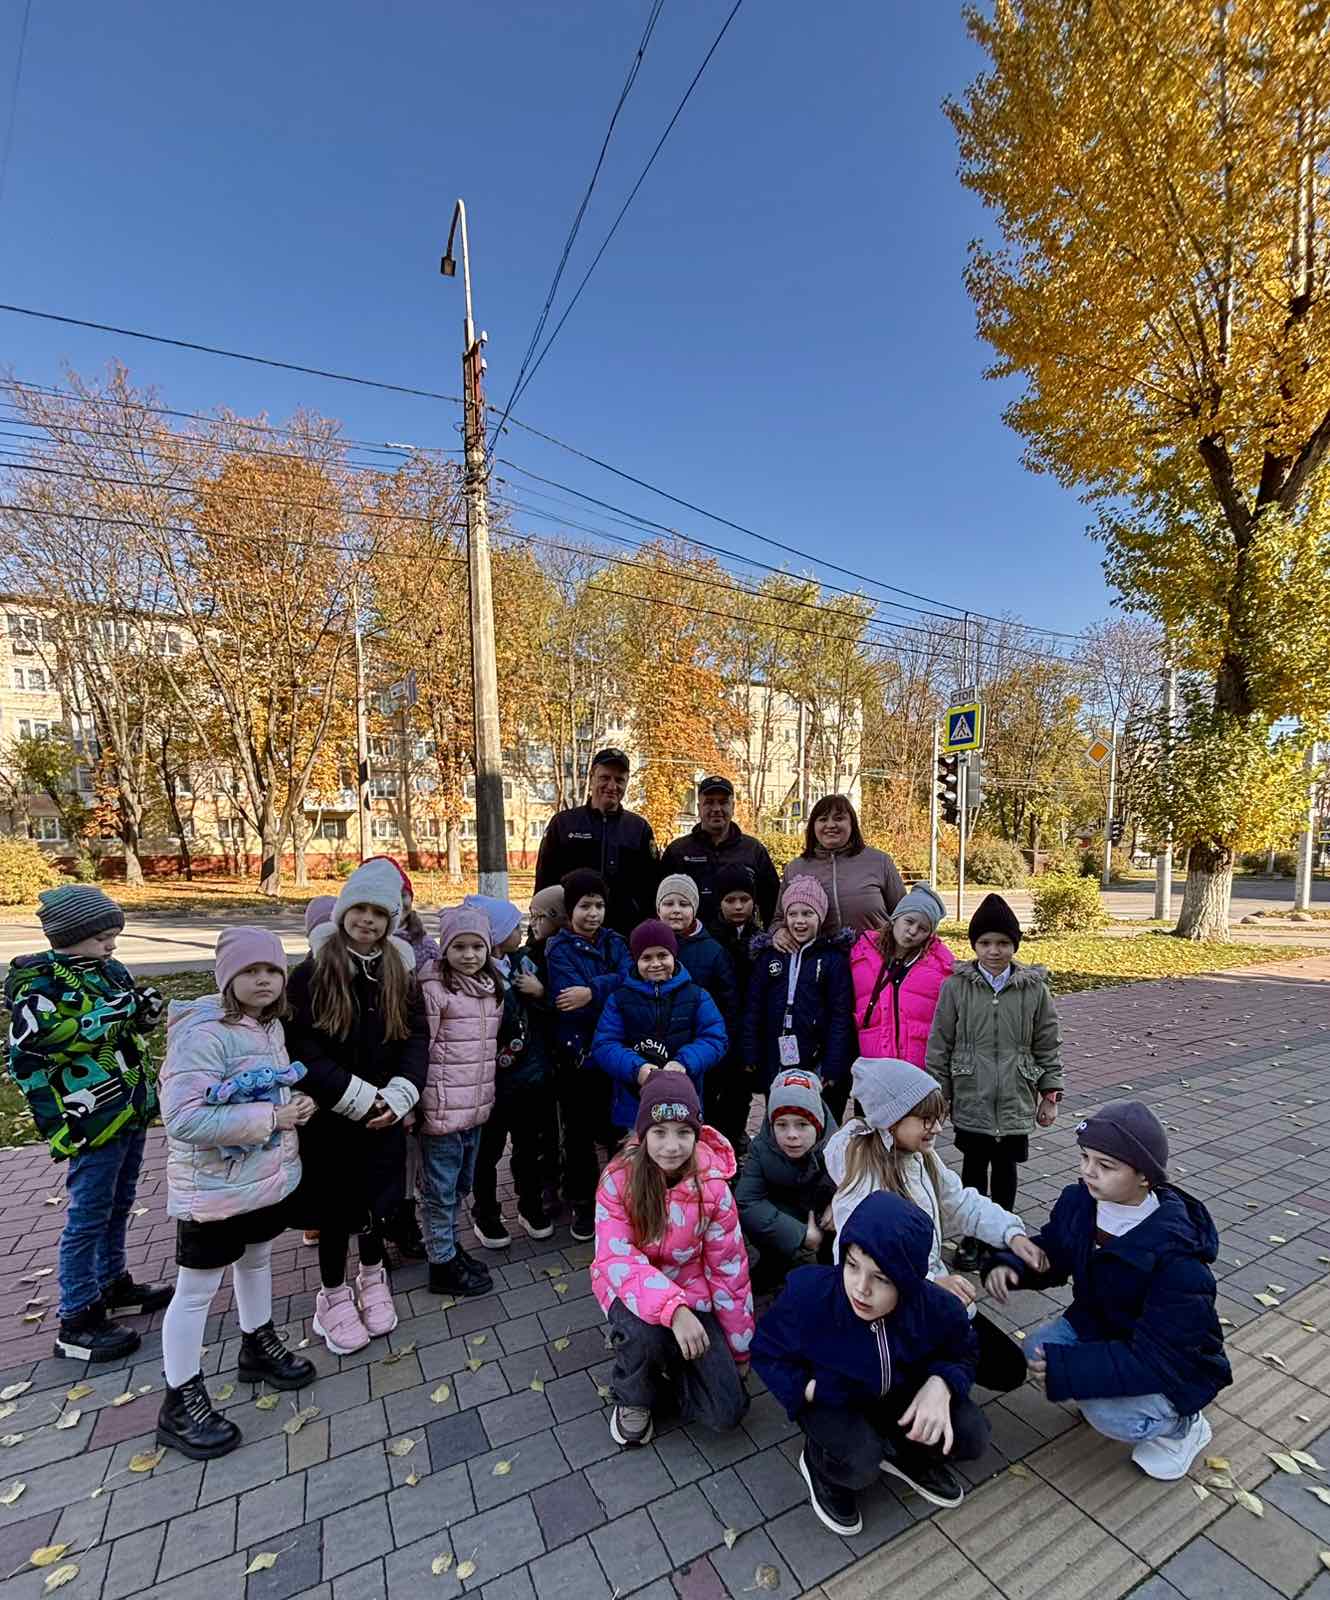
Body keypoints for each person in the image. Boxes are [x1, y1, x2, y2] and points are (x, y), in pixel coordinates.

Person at [986, 1101, 1231, 1480]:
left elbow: (1159, 1357)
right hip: (1100, 1326)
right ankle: (1105, 1387)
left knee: (1107, 1413)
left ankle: (1183, 1425)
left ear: (1145, 1176)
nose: (1088, 1171)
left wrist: (1073, 1370)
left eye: (1105, 1165)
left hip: (1176, 1365)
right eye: (1085, 1157)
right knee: (1037, 1350)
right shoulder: (1082, 1203)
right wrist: (1013, 1265)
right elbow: (1057, 1251)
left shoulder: (1177, 1257)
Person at [156, 928, 317, 1459]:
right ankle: (180, 1397)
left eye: (272, 970)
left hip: (260, 1179)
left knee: (258, 1261)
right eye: (250, 971)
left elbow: (269, 1086)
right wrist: (273, 1117)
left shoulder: (269, 1026)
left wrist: (297, 1105)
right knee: (196, 1290)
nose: (264, 980)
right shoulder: (203, 1034)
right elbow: (184, 1118)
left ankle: (257, 1344)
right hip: (214, 1189)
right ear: (227, 978)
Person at [753, 1191, 988, 1535]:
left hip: (900, 1394)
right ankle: (821, 1467)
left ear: (908, 1281)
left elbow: (964, 1351)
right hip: (834, 1397)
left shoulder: (936, 1307)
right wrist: (806, 1389)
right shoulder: (811, 1296)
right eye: (852, 1265)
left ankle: (905, 1453)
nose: (861, 1288)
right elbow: (767, 1349)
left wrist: (943, 1383)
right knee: (860, 1462)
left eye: (881, 1278)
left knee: (970, 1435)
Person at [5, 886, 173, 1362]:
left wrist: (143, 1013)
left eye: (114, 936)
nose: (111, 945)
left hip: (128, 1106)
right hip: (88, 1117)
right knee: (88, 1215)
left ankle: (112, 1283)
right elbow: (43, 1040)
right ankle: (76, 1317)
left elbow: (125, 1025)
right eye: (101, 938)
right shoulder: (40, 984)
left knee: (120, 1201)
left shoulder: (108, 971)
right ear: (68, 936)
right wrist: (119, 1012)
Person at [824, 1056, 1044, 1395]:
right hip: (887, 1303)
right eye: (926, 1119)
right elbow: (858, 1263)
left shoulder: (921, 1156)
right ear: (891, 1120)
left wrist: (1010, 1233)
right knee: (936, 1388)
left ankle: (933, 1372)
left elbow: (961, 1201)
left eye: (939, 1117)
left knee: (1009, 1368)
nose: (938, 1128)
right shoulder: (862, 1183)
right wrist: (931, 1284)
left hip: (930, 1288)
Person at [285, 859, 428, 1355]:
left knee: (376, 1203)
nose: (367, 920)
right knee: (335, 1211)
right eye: (360, 909)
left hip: (384, 1114)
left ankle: (372, 1276)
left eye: (379, 913)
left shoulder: (399, 971)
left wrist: (401, 1093)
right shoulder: (312, 972)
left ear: (391, 921)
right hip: (332, 1118)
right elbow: (302, 1047)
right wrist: (357, 1097)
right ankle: (332, 1294)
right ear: (344, 911)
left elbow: (415, 1038)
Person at [591, 1074, 753, 1448]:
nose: (671, 1146)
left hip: (692, 1289)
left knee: (728, 1410)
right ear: (643, 1133)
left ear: (697, 1133)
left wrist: (738, 1348)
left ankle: (668, 1364)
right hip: (629, 1287)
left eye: (683, 1132)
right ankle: (634, 1393)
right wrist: (674, 1311)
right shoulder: (618, 1179)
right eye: (659, 1132)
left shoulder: (714, 1187)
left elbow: (729, 1271)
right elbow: (616, 1256)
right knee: (643, 1334)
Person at [926, 892, 1064, 1271]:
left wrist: (1049, 1093)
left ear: (1014, 945)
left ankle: (1002, 1235)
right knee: (973, 1171)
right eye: (985, 942)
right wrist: (940, 1095)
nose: (994, 951)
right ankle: (972, 1236)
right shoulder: (957, 986)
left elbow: (1047, 1041)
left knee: (1005, 1171)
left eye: (1003, 943)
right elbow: (940, 1042)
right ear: (974, 945)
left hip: (1016, 1095)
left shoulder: (1033, 989)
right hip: (972, 1093)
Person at [417, 907, 504, 1296]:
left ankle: (451, 1248)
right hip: (441, 1111)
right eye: (459, 947)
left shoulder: (490, 988)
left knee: (459, 1186)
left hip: (475, 1108)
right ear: (445, 949)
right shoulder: (435, 990)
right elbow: (422, 1049)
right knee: (440, 1191)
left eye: (477, 947)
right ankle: (441, 1263)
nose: (469, 955)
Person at [546, 869, 633, 1240]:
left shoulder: (616, 942)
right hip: (579, 1056)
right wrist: (603, 994)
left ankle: (621, 1197)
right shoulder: (559, 949)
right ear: (570, 910)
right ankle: (583, 1202)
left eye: (598, 905)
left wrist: (593, 991)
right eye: (585, 906)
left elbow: (631, 982)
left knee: (616, 1129)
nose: (593, 913)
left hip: (615, 1052)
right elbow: (569, 1001)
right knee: (578, 1134)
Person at [463, 895, 553, 1248]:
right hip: (492, 1083)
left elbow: (545, 1011)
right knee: (488, 1151)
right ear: (497, 936)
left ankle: (529, 1205)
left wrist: (540, 992)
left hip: (529, 1077)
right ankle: (486, 1213)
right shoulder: (477, 975)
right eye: (514, 927)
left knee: (529, 1147)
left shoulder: (523, 963)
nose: (521, 931)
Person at [590, 919, 728, 1132]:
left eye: (663, 955)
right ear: (636, 960)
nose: (655, 964)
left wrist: (684, 1063)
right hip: (634, 1103)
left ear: (674, 956)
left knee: (681, 1146)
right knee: (640, 1149)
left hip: (684, 1099)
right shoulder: (619, 999)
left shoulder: (697, 996)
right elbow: (604, 1044)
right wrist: (637, 1069)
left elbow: (714, 1038)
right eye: (646, 958)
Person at [742, 875, 855, 1120]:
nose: (800, 921)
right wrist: (750, 1052)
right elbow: (753, 1008)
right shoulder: (769, 956)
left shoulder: (833, 960)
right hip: (775, 1055)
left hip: (815, 1057)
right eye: (793, 914)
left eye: (808, 914)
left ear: (820, 917)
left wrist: (833, 1065)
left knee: (815, 1118)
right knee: (779, 1115)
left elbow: (840, 1016)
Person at [655, 873, 745, 1147]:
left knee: (702, 1113)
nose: (676, 910)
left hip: (700, 1049)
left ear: (695, 908)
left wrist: (722, 1046)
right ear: (658, 908)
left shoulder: (713, 951)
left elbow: (729, 1003)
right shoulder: (648, 946)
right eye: (668, 903)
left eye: (683, 904)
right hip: (658, 1047)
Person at [534, 748, 660, 934]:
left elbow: (651, 887)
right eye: (605, 778)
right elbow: (545, 882)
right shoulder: (563, 824)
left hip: (624, 934)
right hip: (571, 934)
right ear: (592, 776)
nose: (612, 786)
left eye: (619, 780)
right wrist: (540, 933)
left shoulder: (639, 828)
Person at [735, 1068, 839, 1291]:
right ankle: (773, 1264)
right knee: (760, 1223)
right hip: (786, 1213)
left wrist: (839, 1202)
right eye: (782, 1125)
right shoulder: (761, 1148)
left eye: (802, 1125)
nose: (792, 1134)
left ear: (818, 1125)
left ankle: (834, 1268)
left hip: (823, 1214)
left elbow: (859, 1183)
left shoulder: (839, 1146)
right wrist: (800, 1234)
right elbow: (746, 1200)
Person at [774, 794, 905, 942]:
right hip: (818, 955)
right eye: (823, 819)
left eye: (839, 818)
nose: (830, 825)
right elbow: (778, 919)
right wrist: (779, 931)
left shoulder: (879, 861)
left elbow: (904, 912)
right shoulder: (795, 868)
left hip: (875, 953)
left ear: (852, 824)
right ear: (813, 826)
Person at [851, 882, 954, 1069]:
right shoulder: (861, 955)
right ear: (896, 917)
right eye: (909, 921)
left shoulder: (941, 968)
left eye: (923, 929)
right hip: (872, 1067)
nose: (913, 931)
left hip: (918, 1070)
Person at [660, 776, 780, 927]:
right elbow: (660, 904)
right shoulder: (678, 851)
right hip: (690, 939)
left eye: (723, 802)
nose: (716, 809)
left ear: (733, 807)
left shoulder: (753, 850)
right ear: (699, 808)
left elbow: (772, 905)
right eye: (709, 802)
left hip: (741, 940)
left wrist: (772, 935)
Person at [298, 896, 335, 1250]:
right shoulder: (303, 977)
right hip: (313, 1085)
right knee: (315, 1154)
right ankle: (315, 1219)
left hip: (349, 1081)